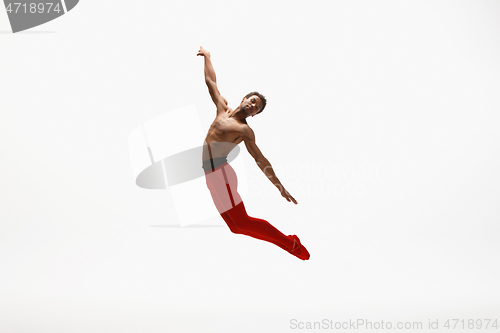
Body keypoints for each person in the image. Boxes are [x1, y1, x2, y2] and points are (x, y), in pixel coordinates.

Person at [197, 46, 309, 260]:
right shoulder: (222, 108)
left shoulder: (244, 130)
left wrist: (279, 186)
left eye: (255, 108)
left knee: (243, 221)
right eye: (252, 101)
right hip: (209, 175)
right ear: (244, 98)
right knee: (236, 227)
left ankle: (291, 243)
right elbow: (211, 82)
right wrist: (208, 56)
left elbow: (260, 159)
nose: (252, 106)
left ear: (254, 115)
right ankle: (290, 242)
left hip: (222, 174)